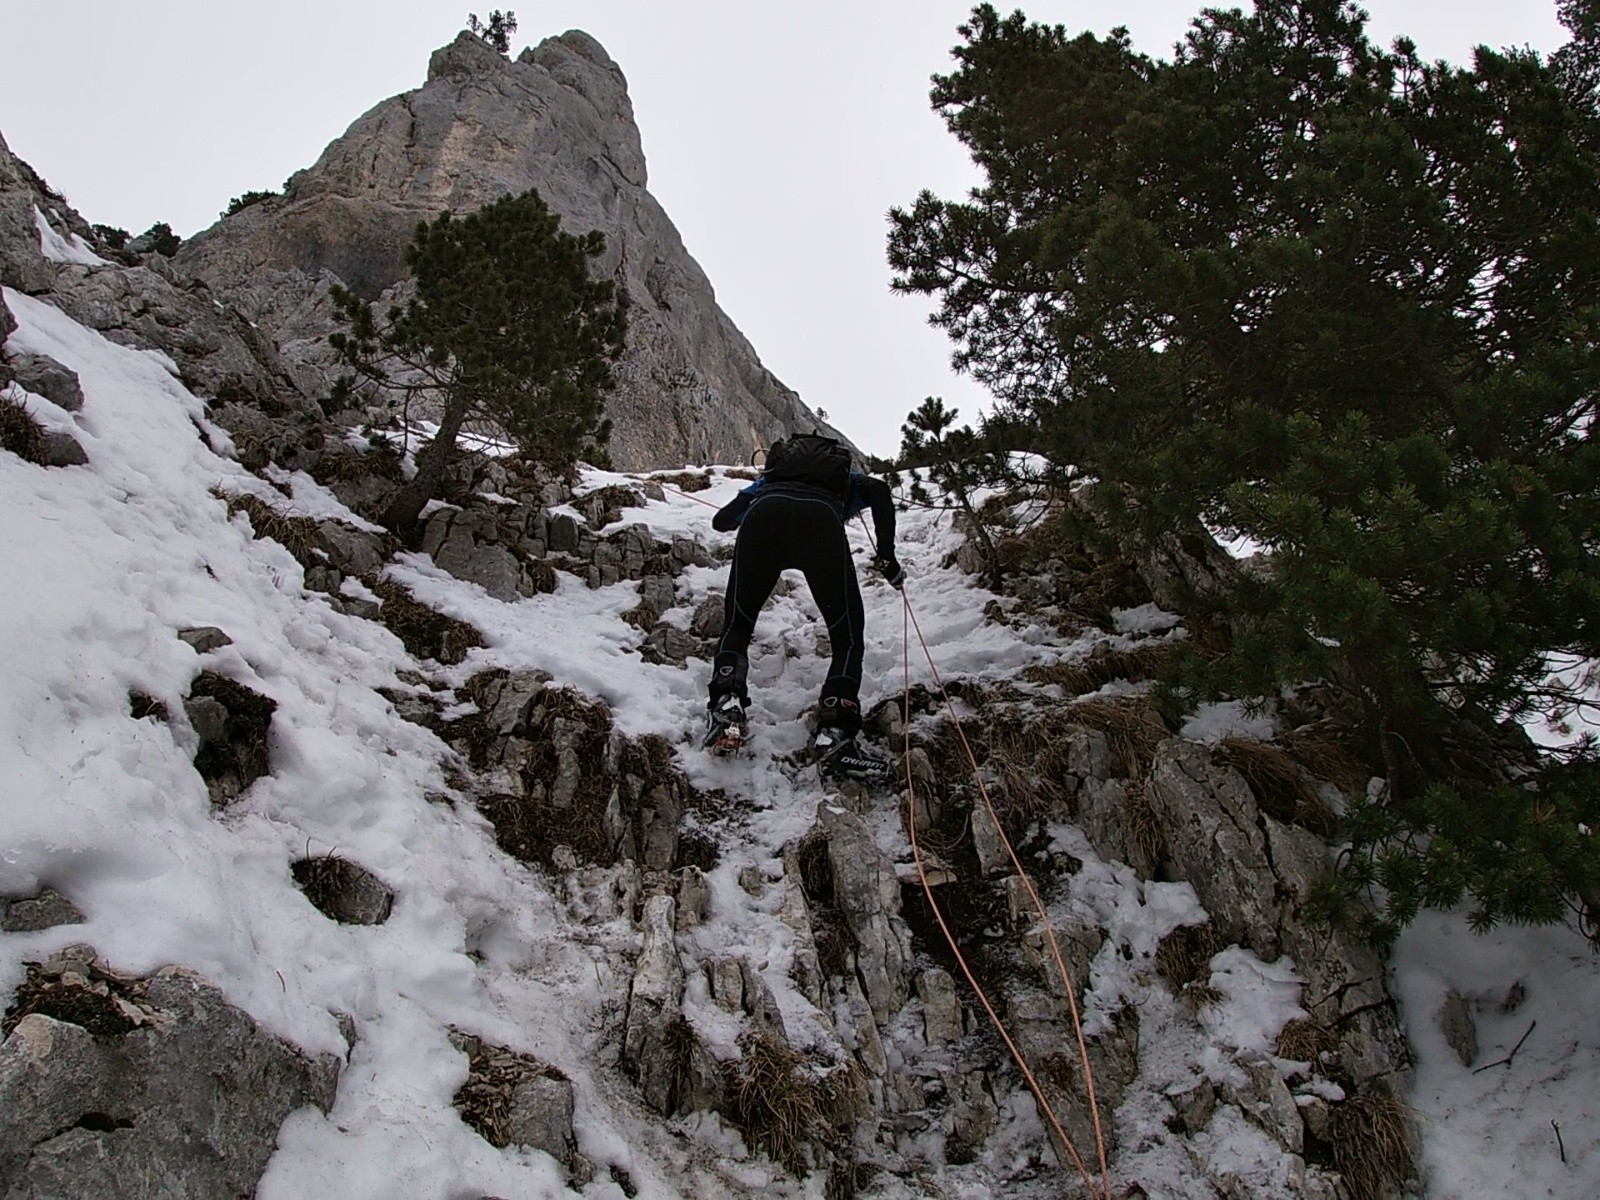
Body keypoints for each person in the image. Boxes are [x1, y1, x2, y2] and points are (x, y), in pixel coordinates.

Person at [703, 433, 904, 780]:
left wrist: (752, 504)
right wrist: (886, 556)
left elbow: (721, 521)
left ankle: (727, 704)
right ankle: (835, 733)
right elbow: (880, 491)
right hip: (821, 524)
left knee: (738, 625)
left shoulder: (768, 480)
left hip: (763, 517)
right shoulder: (845, 481)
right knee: (847, 637)